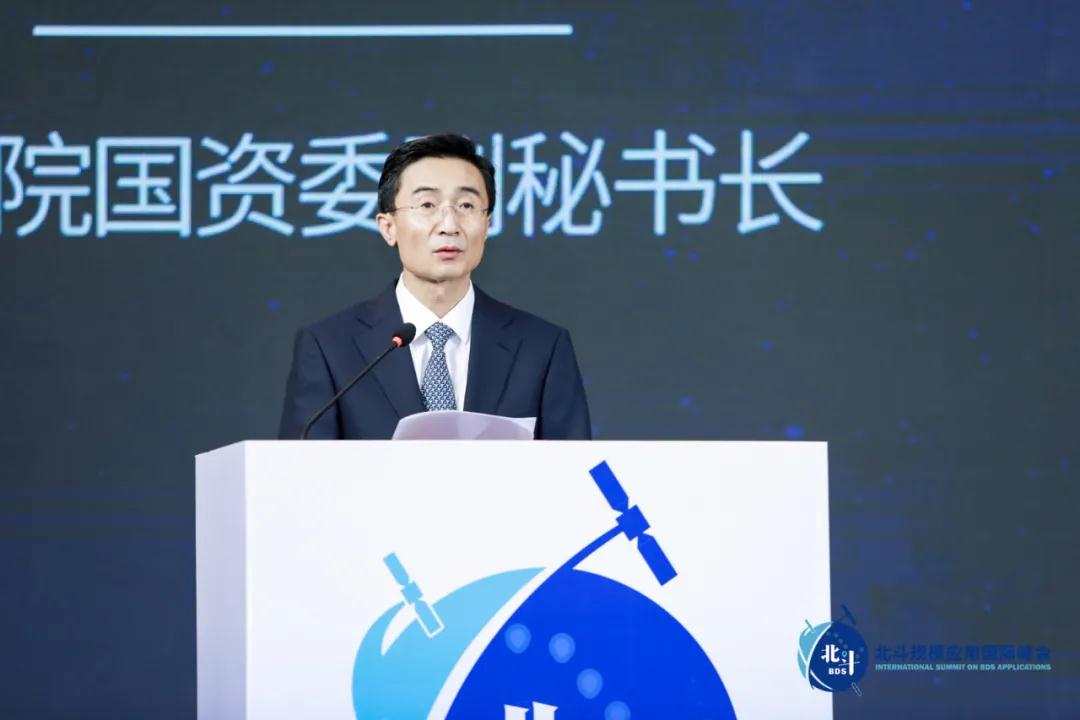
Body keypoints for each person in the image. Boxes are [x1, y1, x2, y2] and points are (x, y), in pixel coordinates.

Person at [278, 133, 591, 440]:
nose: (449, 225)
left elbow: (585, 465)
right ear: (388, 227)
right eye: (427, 204)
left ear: (487, 225)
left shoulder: (541, 347)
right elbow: (296, 468)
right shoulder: (330, 347)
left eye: (466, 206)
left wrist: (611, 485)